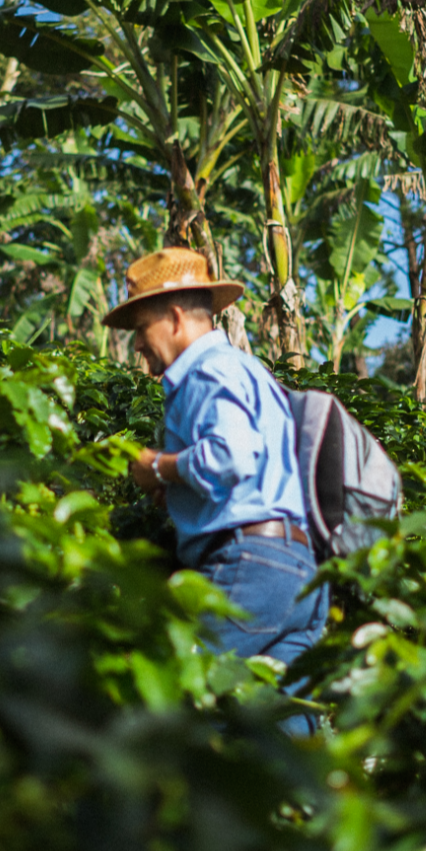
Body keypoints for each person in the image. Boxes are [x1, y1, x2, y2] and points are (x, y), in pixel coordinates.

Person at [103, 248, 329, 705]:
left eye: (141, 330)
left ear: (174, 318)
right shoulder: (250, 372)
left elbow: (232, 455)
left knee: (168, 692)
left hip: (250, 564)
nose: (139, 345)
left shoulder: (206, 371)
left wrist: (159, 467)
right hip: (301, 572)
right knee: (284, 733)